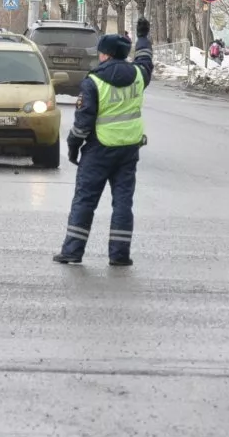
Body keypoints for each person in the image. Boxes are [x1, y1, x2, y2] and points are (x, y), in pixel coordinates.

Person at [53, 20, 155, 267]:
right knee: (123, 203)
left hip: (99, 150)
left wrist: (73, 146)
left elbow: (82, 123)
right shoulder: (138, 76)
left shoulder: (93, 82)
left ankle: (72, 252)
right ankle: (119, 255)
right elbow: (145, 60)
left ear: (105, 55)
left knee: (85, 201)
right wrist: (143, 38)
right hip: (129, 150)